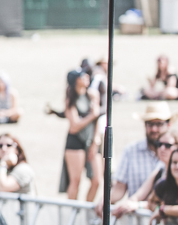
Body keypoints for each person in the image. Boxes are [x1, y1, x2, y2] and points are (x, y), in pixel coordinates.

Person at [108, 129, 176, 217]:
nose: (162, 148)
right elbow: (144, 199)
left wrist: (163, 209)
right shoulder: (159, 172)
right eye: (159, 144)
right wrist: (125, 205)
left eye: (167, 145)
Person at [61, 69, 103, 201]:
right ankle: (71, 211)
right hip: (76, 141)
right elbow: (74, 126)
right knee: (76, 180)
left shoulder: (93, 95)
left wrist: (96, 140)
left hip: (92, 139)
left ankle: (86, 208)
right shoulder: (70, 100)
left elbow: (97, 121)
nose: (86, 77)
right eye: (82, 76)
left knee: (97, 180)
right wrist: (92, 115)